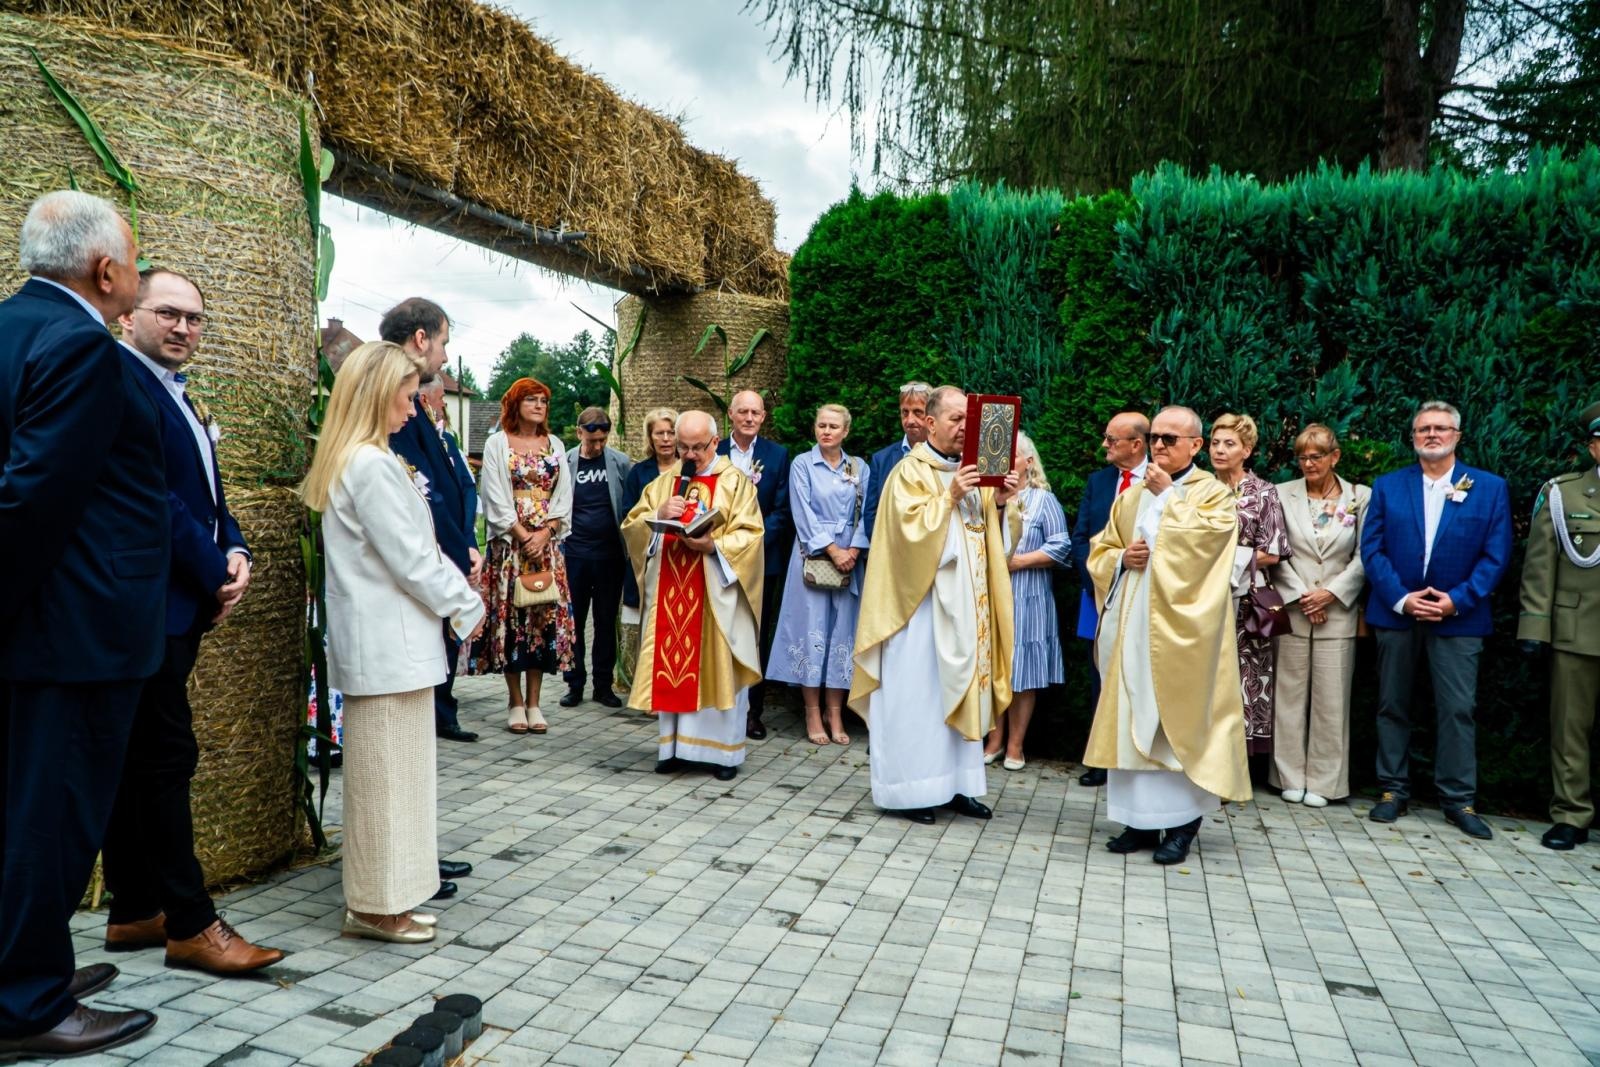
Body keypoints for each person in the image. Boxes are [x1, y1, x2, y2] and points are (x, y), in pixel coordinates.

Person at [0, 191, 162, 1059]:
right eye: (134, 261)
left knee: (26, 810)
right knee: (51, 821)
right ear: (106, 270)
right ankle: (27, 1004)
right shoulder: (80, 348)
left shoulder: (9, 327)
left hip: (45, 631)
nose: (134, 274)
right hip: (75, 634)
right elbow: (33, 500)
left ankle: (31, 965)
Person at [100, 268, 284, 974]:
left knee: (138, 757)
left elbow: (205, 494)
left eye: (196, 318)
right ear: (130, 316)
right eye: (169, 313)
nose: (184, 328)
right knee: (167, 757)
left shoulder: (177, 395)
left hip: (176, 602)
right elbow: (153, 501)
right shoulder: (122, 382)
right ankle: (191, 923)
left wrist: (232, 546)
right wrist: (212, 570)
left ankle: (134, 907)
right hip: (143, 603)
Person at [301, 341, 486, 944]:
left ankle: (393, 894)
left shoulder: (367, 459)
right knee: (384, 780)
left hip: (392, 645)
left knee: (401, 775)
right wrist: (466, 605)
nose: (412, 412)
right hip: (388, 644)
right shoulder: (370, 465)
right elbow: (411, 558)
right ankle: (377, 904)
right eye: (407, 398)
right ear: (378, 394)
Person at [1085, 406, 1250, 865]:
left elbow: (1210, 549)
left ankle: (1181, 826)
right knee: (1130, 715)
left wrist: (1167, 500)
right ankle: (1137, 822)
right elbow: (1102, 547)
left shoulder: (1212, 495)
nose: (1159, 445)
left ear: (1196, 446)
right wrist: (1122, 558)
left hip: (1181, 637)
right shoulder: (1132, 494)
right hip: (1133, 624)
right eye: (1155, 437)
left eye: (1170, 439)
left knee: (1174, 723)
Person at [851, 385, 1019, 825]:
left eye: (970, 420)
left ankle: (959, 786)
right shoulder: (910, 472)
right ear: (929, 422)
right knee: (919, 697)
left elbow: (987, 540)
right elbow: (902, 538)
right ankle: (911, 791)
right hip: (918, 612)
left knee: (960, 689)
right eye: (956, 419)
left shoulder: (973, 472)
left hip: (966, 610)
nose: (965, 427)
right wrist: (949, 498)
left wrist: (998, 503)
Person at [1362, 400, 1513, 840]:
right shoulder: (1389, 486)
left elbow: (1496, 554)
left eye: (1441, 428)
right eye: (1423, 428)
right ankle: (1392, 790)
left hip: (1459, 618)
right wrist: (1402, 599)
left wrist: (1456, 600)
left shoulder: (1488, 488)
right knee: (1392, 703)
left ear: (1457, 436)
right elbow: (1372, 549)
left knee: (1458, 710)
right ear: (1413, 437)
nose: (1432, 434)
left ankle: (1459, 799)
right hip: (1398, 614)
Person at [379, 300, 480, 899]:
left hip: (442, 569)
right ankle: (409, 859)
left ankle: (421, 852)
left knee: (419, 741)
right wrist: (453, 562)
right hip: (420, 587)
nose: (445, 354)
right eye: (444, 341)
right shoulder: (396, 409)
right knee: (405, 742)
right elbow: (420, 496)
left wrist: (464, 546)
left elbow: (447, 487)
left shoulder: (418, 406)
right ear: (421, 339)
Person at [624, 411, 765, 780]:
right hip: (672, 591)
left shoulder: (735, 482)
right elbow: (633, 525)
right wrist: (656, 515)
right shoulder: (665, 481)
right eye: (682, 447)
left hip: (714, 594)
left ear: (714, 443)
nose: (688, 455)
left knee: (717, 667)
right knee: (673, 666)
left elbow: (751, 536)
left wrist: (713, 544)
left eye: (696, 448)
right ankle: (673, 749)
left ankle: (722, 755)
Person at [1270, 425, 1369, 806]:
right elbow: (1276, 551)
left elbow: (1365, 554)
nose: (1309, 463)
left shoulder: (1361, 496)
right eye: (1303, 457)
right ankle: (1288, 776)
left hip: (1338, 612)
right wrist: (1301, 596)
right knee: (1288, 697)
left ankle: (1326, 782)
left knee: (1332, 701)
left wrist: (1332, 593)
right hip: (1294, 610)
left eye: (1317, 456)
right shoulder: (1281, 495)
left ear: (1335, 456)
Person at [1518, 400, 1600, 850]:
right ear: (1593, 447)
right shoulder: (1563, 493)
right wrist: (1534, 629)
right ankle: (1571, 814)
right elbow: (1540, 566)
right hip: (1577, 631)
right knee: (1570, 729)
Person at [474, 378, 575, 735]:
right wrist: (521, 535)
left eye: (543, 401)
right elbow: (494, 497)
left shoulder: (557, 444)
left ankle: (535, 702)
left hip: (546, 549)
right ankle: (515, 700)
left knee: (542, 621)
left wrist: (546, 533)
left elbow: (564, 495)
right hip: (510, 549)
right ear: (515, 404)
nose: (538, 406)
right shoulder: (496, 444)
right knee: (514, 623)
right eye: (531, 400)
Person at [767, 404, 871, 746]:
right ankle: (812, 711)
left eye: (833, 426)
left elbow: (866, 512)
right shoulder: (802, 464)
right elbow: (802, 512)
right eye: (822, 425)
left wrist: (854, 550)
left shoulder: (860, 467)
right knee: (812, 632)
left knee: (842, 635)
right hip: (814, 557)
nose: (826, 431)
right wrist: (832, 550)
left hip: (850, 561)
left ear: (845, 432)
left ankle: (835, 711)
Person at [1209, 413, 1291, 771]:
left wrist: (1226, 559)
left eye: (1229, 444)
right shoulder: (1200, 488)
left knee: (1241, 678)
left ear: (1247, 450)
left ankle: (1234, 768)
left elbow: (1273, 550)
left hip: (1243, 603)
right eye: (1215, 442)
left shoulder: (1263, 493)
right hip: (1198, 599)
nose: (1220, 450)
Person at [984, 433, 1071, 771]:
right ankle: (994, 738)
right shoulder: (989, 498)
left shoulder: (1042, 500)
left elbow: (1061, 545)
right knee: (993, 668)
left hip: (1029, 594)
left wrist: (1019, 562)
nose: (1006, 461)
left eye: (1013, 455)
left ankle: (1016, 745)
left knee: (1023, 671)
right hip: (992, 594)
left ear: (1029, 462)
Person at [1071, 411, 1149, 787]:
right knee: (1099, 673)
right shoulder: (1098, 482)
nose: (1104, 445)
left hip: (1146, 596)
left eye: (1111, 439)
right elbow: (1081, 536)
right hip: (1097, 592)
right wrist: (1096, 582)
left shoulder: (1159, 484)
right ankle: (1101, 759)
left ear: (1137, 444)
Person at [717, 390, 791, 739]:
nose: (749, 417)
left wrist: (752, 543)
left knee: (757, 636)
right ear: (730, 414)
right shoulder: (714, 452)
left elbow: (782, 510)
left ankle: (752, 712)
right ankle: (717, 705)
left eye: (755, 412)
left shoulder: (777, 455)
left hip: (762, 559)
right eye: (742, 411)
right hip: (716, 556)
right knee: (719, 630)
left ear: (763, 417)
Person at [559, 406, 633, 709]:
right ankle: (574, 684)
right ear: (579, 434)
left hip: (610, 557)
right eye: (592, 441)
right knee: (574, 622)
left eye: (603, 440)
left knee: (605, 622)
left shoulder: (620, 463)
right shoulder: (565, 462)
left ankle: (603, 685)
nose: (598, 446)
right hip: (574, 555)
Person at [617, 407, 680, 701]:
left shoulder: (689, 469)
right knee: (649, 626)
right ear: (650, 437)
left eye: (671, 432)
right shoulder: (639, 473)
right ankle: (648, 689)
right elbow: (628, 516)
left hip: (683, 557)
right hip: (650, 558)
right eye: (659, 433)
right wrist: (657, 516)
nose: (666, 439)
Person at [862, 381, 932, 538]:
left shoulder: (947, 456)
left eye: (917, 412)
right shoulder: (881, 460)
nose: (910, 420)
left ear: (931, 415)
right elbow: (871, 515)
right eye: (905, 412)